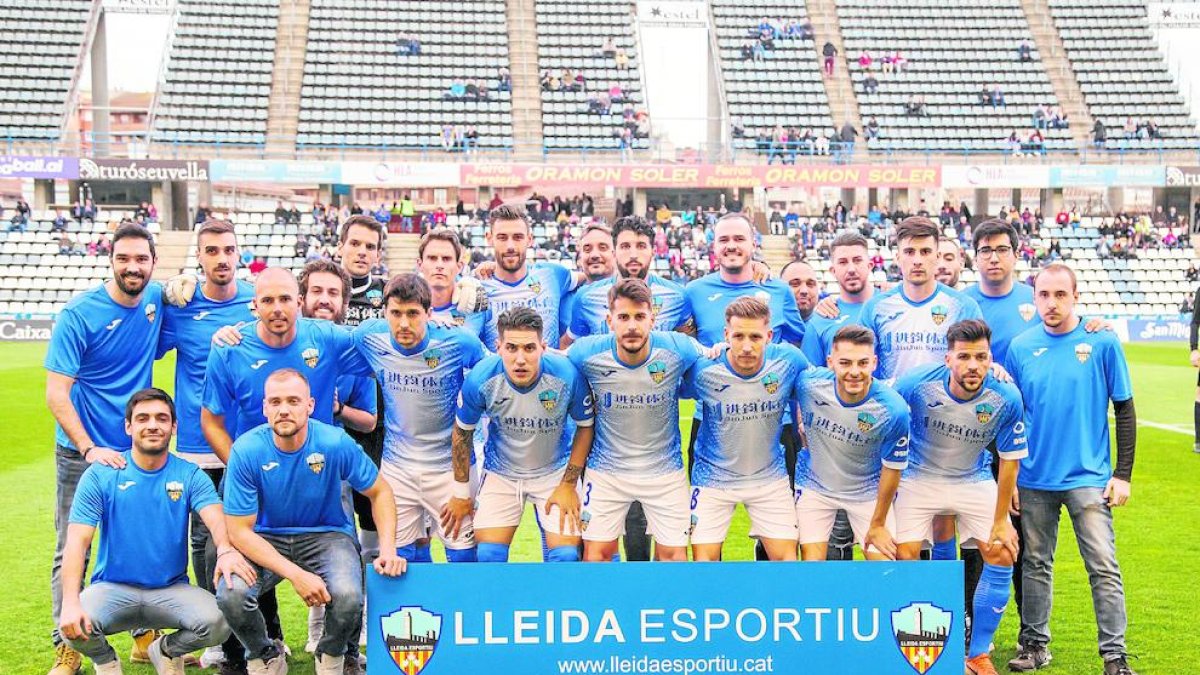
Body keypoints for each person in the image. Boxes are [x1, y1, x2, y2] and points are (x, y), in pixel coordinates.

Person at [218, 370, 405, 675]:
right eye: (275, 402)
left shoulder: (334, 442)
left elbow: (380, 491)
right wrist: (296, 575)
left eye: (293, 401)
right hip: (265, 538)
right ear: (264, 407)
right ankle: (264, 654)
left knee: (348, 596)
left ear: (310, 405)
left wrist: (388, 548)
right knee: (232, 594)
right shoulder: (246, 450)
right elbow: (239, 530)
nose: (284, 409)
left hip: (328, 535)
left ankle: (331, 655)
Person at [869, 321, 1026, 675]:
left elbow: (1011, 461)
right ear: (948, 358)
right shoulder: (918, 382)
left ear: (991, 359)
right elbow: (881, 399)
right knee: (905, 555)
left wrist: (1002, 521)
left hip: (972, 479)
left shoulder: (1006, 397)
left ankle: (978, 653)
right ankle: (922, 644)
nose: (973, 365)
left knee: (1002, 551)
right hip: (919, 478)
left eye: (981, 357)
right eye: (965, 357)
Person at [44, 224, 167, 675]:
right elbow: (57, 393)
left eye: (141, 259)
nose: (132, 267)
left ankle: (143, 638)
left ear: (153, 264)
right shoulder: (79, 314)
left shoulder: (156, 300)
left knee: (135, 540)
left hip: (134, 451)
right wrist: (88, 446)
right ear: (110, 261)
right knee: (71, 547)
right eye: (123, 259)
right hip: (83, 453)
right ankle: (69, 643)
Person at [1004, 264, 1138, 675]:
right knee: (1035, 564)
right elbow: (1010, 418)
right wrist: (1006, 480)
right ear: (1034, 298)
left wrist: (1123, 473)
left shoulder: (1102, 342)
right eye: (1044, 295)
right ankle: (1034, 646)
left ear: (1076, 296)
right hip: (1033, 477)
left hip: (1089, 479)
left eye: (1061, 294)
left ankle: (1114, 655)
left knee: (1102, 565)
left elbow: (1125, 408)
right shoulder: (1020, 347)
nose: (1052, 303)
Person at [59, 389, 251, 675]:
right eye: (143, 418)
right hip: (113, 589)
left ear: (173, 427)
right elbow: (77, 541)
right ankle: (106, 662)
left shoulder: (189, 474)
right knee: (71, 625)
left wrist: (225, 549)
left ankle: (165, 650)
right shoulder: (102, 474)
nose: (152, 425)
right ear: (129, 426)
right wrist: (70, 602)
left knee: (220, 621)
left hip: (170, 589)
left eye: (162, 418)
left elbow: (216, 519)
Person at [348, 274, 487, 562]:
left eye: (413, 314)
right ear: (384, 312)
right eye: (395, 313)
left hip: (451, 469)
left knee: (462, 559)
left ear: (429, 313)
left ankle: (455, 608)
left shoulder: (458, 342)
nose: (403, 323)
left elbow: (496, 373)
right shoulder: (368, 336)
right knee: (402, 559)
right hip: (398, 468)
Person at [569, 279, 707, 562]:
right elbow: (554, 364)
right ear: (609, 321)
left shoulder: (678, 348)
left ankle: (665, 607)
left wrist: (717, 350)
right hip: (606, 471)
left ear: (652, 320)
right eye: (623, 317)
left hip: (664, 473)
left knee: (674, 557)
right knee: (597, 555)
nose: (632, 326)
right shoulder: (586, 353)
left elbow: (717, 356)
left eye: (639, 317)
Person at [454, 308, 594, 562]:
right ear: (498, 347)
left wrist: (568, 484)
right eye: (511, 348)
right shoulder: (481, 378)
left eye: (529, 348)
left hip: (554, 472)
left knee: (566, 557)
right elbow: (462, 434)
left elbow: (586, 426)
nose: (520, 359)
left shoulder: (566, 375)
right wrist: (462, 493)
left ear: (544, 347)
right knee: (487, 556)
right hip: (502, 473)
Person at [685, 297, 810, 562]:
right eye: (738, 336)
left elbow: (816, 390)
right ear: (726, 334)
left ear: (769, 336)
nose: (746, 346)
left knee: (788, 562)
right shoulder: (704, 369)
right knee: (702, 565)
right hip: (712, 479)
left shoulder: (789, 361)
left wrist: (805, 421)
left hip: (769, 479)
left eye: (755, 337)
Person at [793, 326, 910, 561]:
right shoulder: (808, 384)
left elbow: (893, 469)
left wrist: (877, 525)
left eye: (862, 363)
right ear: (830, 362)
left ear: (874, 363)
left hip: (868, 492)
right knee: (812, 569)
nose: (854, 371)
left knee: (886, 567)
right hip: (815, 487)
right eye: (845, 363)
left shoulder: (893, 410)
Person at [857, 217, 983, 382]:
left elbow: (979, 365)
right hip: (894, 406)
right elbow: (859, 367)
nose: (917, 260)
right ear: (897, 257)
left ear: (937, 256)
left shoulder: (964, 307)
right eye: (909, 252)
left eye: (925, 252)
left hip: (945, 407)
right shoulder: (875, 308)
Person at [564, 217, 691, 346]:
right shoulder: (586, 298)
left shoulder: (678, 297)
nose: (633, 255)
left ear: (653, 252)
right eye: (625, 246)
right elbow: (569, 349)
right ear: (614, 252)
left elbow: (689, 348)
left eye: (641, 246)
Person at [477, 204, 581, 349]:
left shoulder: (552, 275)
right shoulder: (479, 288)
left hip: (549, 371)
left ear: (530, 239)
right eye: (502, 238)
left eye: (518, 237)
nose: (510, 246)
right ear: (489, 239)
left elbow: (591, 277)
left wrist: (569, 336)